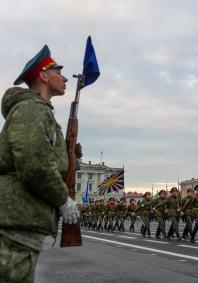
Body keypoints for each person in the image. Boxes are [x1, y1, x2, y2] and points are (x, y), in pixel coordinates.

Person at [0, 45, 80, 282]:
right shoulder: (32, 109)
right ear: (44, 76)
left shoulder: (39, 111)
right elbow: (34, 164)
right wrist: (62, 200)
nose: (64, 77)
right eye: (58, 71)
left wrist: (68, 154)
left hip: (21, 222)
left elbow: (43, 157)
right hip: (16, 222)